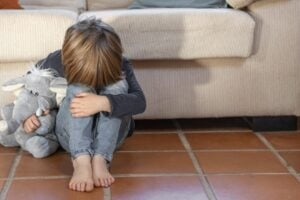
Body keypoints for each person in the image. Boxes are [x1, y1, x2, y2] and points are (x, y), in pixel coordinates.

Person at [22, 19, 146, 192]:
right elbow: (32, 85)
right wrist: (29, 115)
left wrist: (104, 102)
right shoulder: (57, 60)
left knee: (117, 85)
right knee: (78, 87)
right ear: (67, 58)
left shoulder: (121, 63)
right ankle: (81, 161)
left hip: (111, 139)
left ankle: (101, 158)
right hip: (70, 137)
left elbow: (140, 102)